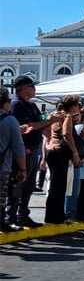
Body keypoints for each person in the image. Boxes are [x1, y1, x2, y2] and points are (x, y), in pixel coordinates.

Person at [6, 76, 63, 228]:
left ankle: (23, 214)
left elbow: (40, 120)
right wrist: (48, 122)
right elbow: (27, 126)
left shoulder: (31, 105)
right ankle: (10, 217)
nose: (34, 89)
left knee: (29, 185)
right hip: (23, 149)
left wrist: (47, 125)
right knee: (18, 184)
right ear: (24, 88)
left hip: (33, 149)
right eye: (32, 86)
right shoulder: (16, 105)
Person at [43, 95, 84, 224]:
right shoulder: (67, 116)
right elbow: (67, 134)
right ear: (72, 106)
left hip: (52, 150)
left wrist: (52, 139)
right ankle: (57, 217)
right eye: (77, 105)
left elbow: (45, 130)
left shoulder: (55, 114)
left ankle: (52, 215)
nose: (79, 107)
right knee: (60, 186)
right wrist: (75, 152)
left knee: (54, 186)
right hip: (60, 152)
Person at [0, 87, 27, 233]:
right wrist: (23, 168)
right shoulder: (10, 120)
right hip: (3, 166)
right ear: (5, 103)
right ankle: (1, 222)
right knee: (1, 198)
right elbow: (18, 147)